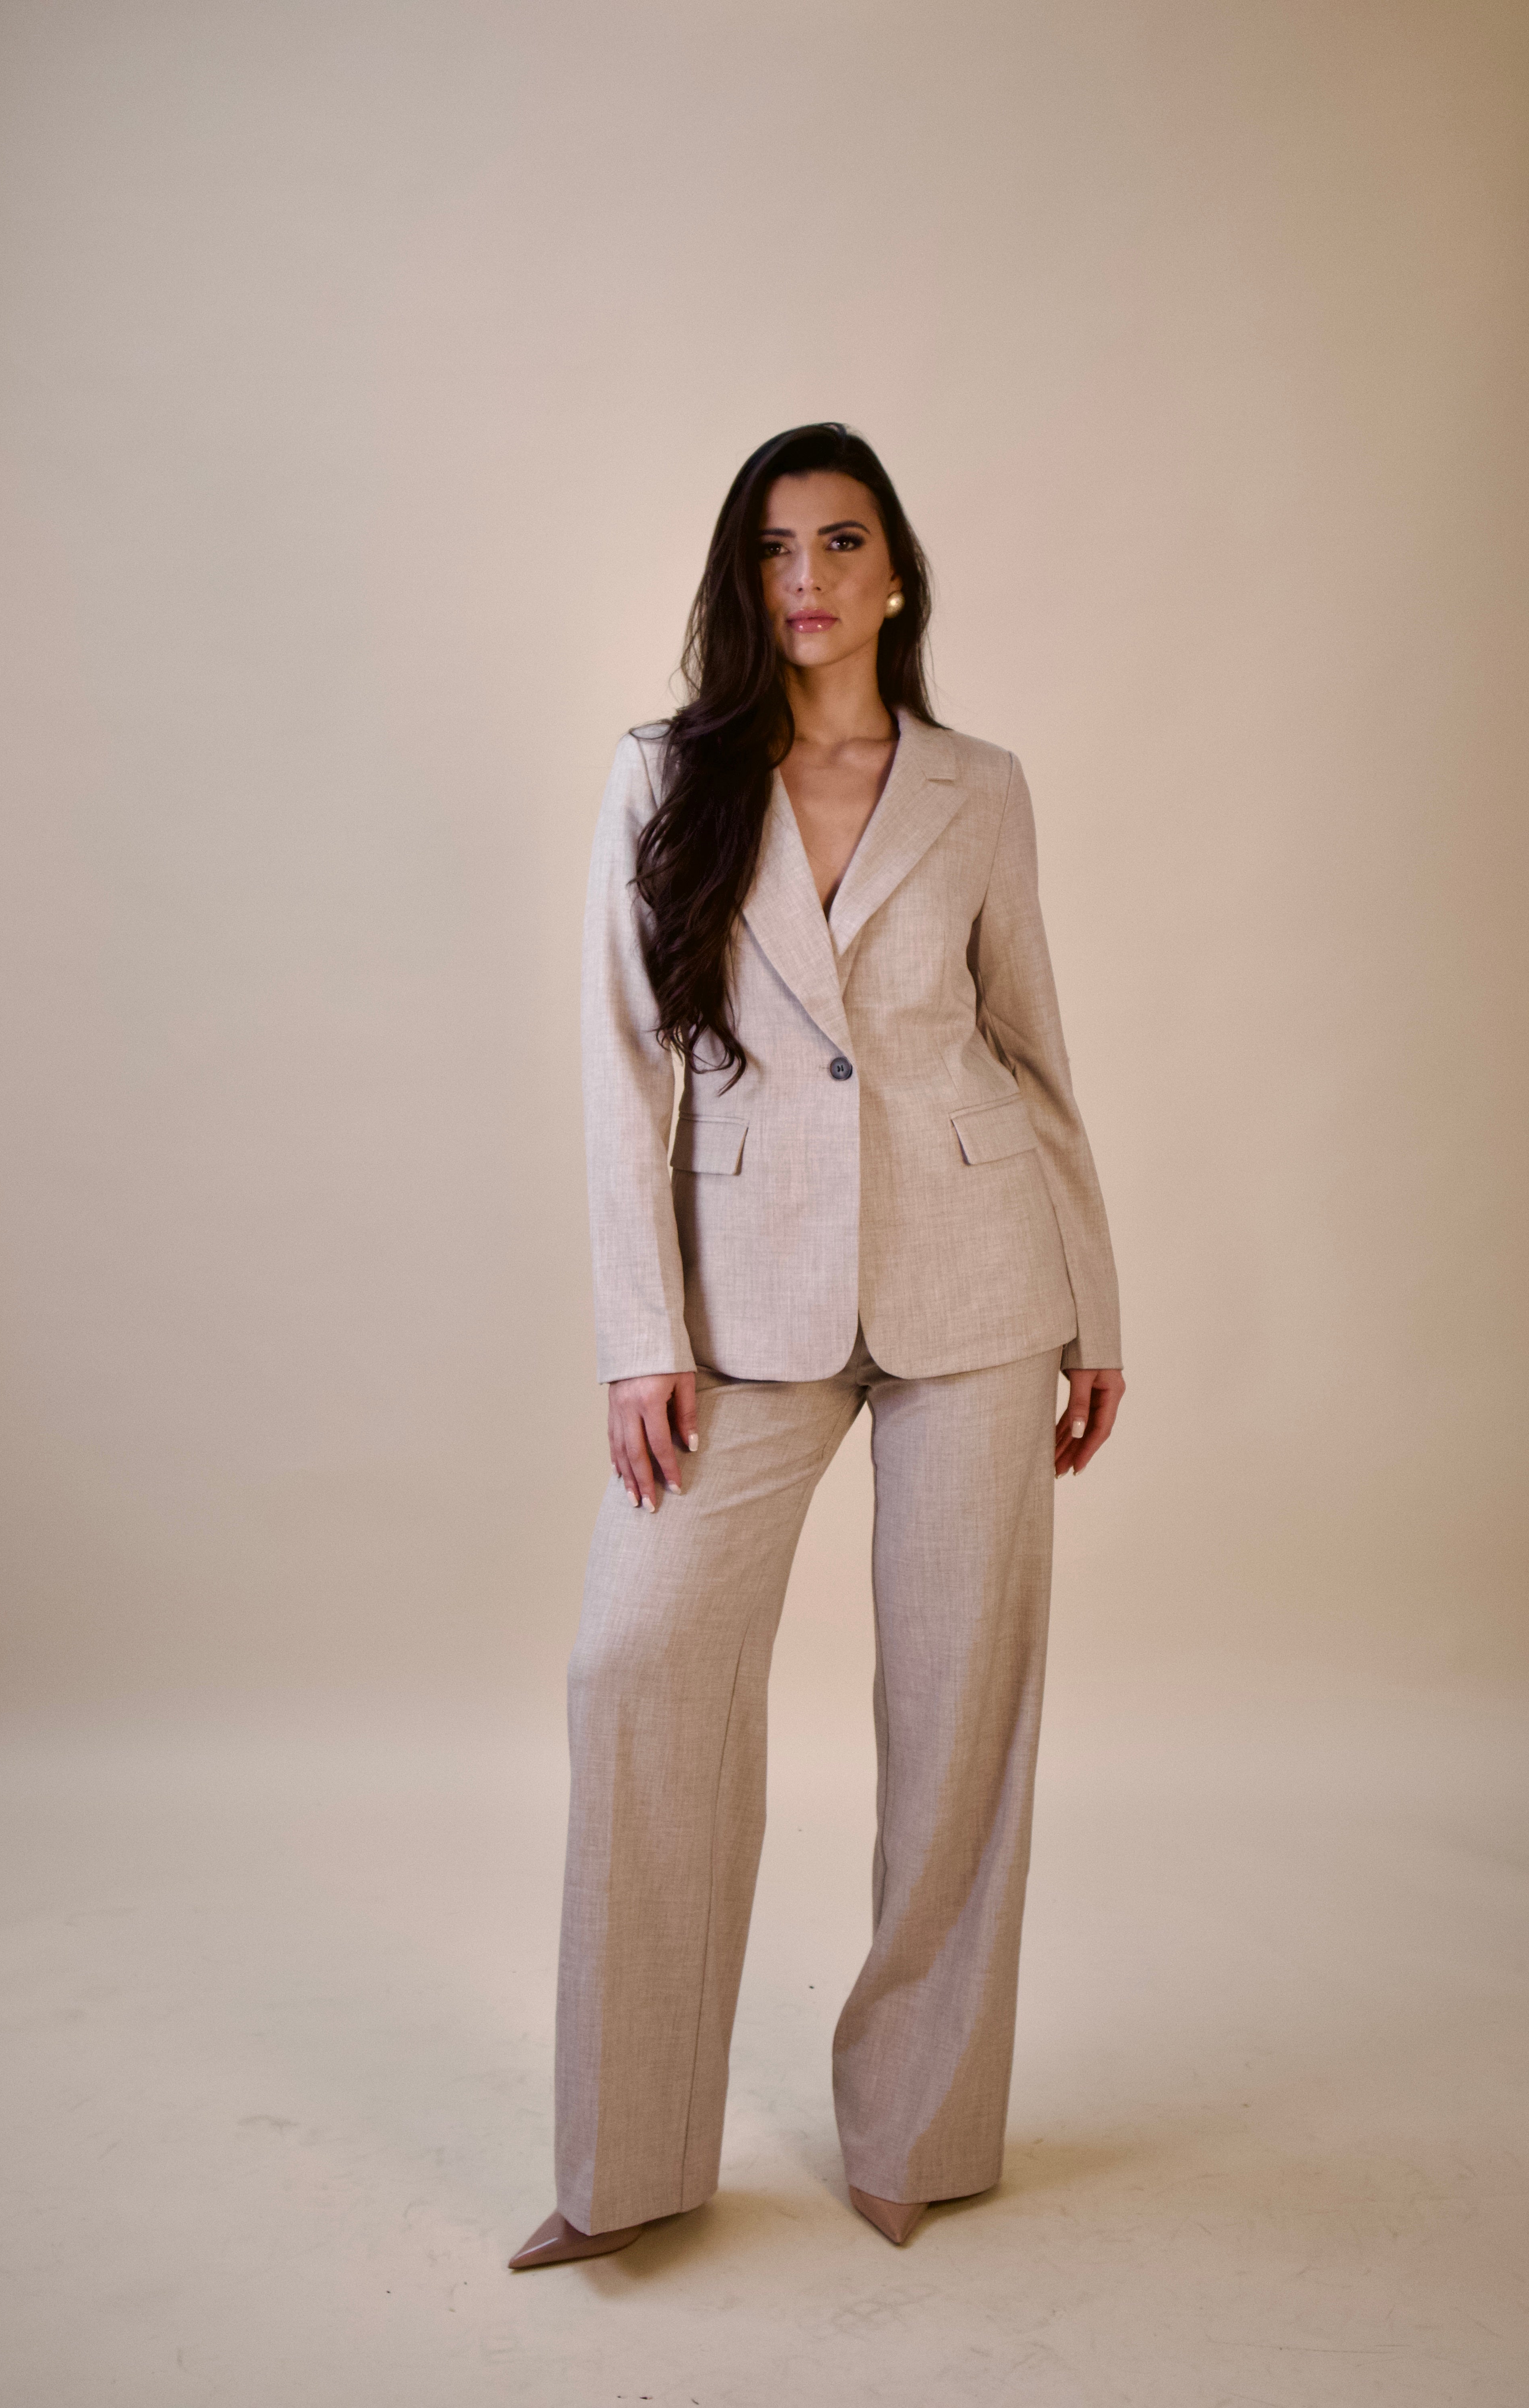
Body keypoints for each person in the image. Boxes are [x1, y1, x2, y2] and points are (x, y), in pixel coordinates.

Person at [510, 423, 1124, 2270]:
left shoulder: (978, 787)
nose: (807, 577)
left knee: (959, 1713)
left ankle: (915, 2133)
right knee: (637, 1666)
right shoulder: (664, 775)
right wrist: (641, 1338)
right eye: (774, 548)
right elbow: (625, 1069)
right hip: (737, 1301)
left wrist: (1095, 1305)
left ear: (893, 573)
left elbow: (1031, 1047)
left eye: (840, 542)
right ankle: (621, 2165)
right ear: (742, 577)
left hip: (977, 1284)